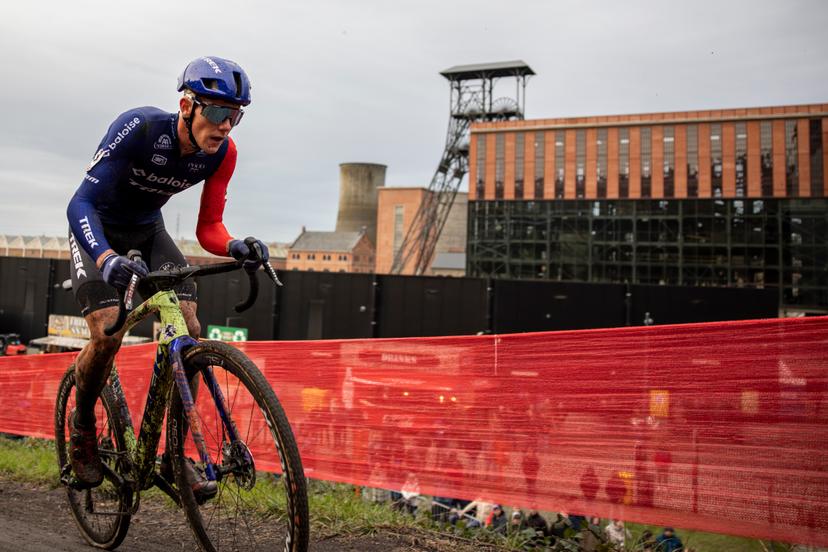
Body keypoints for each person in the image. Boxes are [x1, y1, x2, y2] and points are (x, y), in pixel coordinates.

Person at [65, 56, 270, 497]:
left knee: (189, 329)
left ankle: (175, 455)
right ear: (186, 105)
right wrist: (105, 260)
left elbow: (208, 229)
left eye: (235, 116)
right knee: (107, 334)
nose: (225, 126)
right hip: (97, 229)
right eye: (217, 112)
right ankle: (82, 428)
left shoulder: (222, 155)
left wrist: (234, 245)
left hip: (148, 230)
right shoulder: (139, 128)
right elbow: (79, 203)